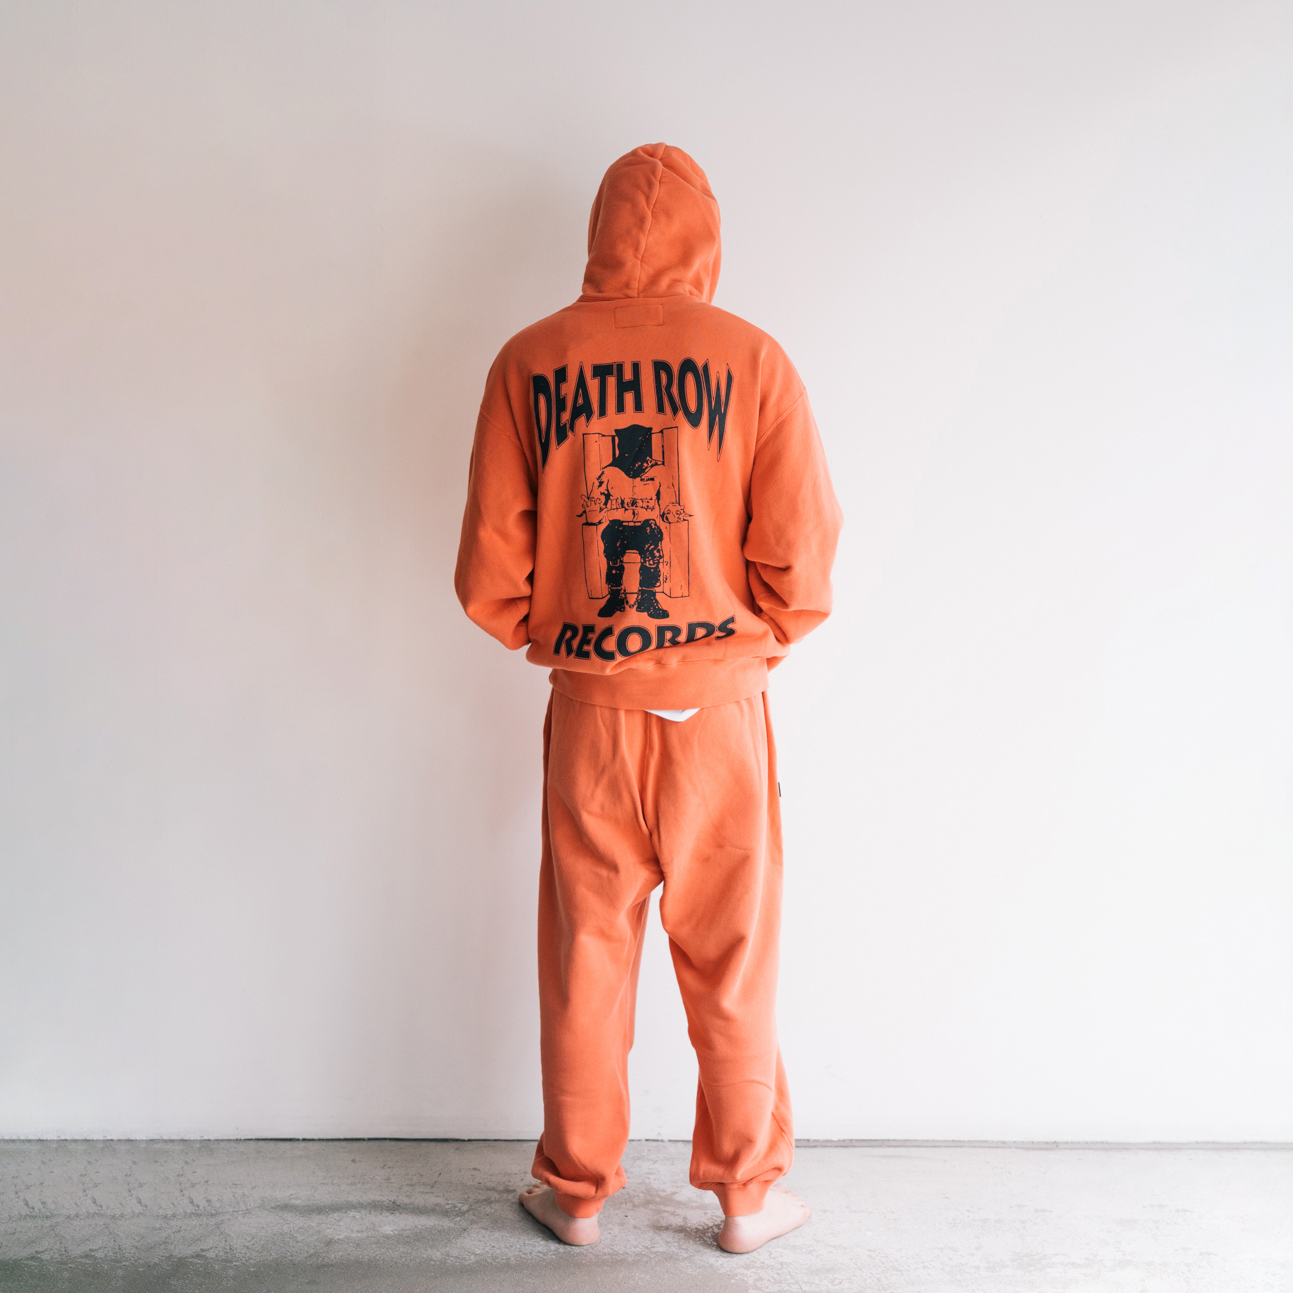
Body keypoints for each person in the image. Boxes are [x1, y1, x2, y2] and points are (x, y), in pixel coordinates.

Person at [454, 142, 842, 1254]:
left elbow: (489, 575)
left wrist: (571, 639)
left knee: (586, 956)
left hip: (592, 717)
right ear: (705, 238)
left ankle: (575, 1194)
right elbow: (802, 559)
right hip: (718, 714)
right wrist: (737, 648)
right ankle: (747, 1199)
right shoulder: (752, 359)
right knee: (733, 958)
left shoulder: (530, 361)